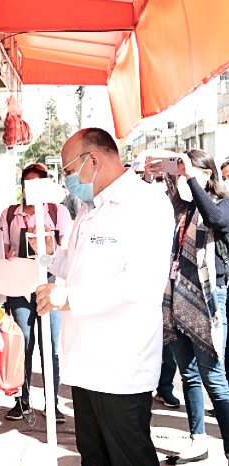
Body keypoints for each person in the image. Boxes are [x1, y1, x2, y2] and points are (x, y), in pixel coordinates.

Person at [33, 128, 175, 465]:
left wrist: (68, 298)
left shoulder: (146, 204)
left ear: (93, 160)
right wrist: (49, 256)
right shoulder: (88, 209)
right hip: (85, 364)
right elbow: (80, 267)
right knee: (93, 456)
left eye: (68, 171)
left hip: (120, 367)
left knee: (129, 457)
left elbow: (141, 283)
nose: (67, 180)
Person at [148, 149, 229, 464]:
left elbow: (215, 219)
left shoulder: (221, 205)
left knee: (214, 378)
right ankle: (198, 439)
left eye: (188, 172)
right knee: (190, 375)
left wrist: (191, 175)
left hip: (208, 299)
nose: (181, 179)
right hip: (176, 298)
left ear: (206, 175)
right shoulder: (181, 208)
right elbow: (162, 176)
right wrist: (171, 165)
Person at [0, 162, 72, 423]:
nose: (32, 190)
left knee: (49, 347)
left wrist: (47, 242)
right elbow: (3, 248)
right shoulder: (9, 215)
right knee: (23, 344)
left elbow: (64, 249)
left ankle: (52, 403)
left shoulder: (57, 211)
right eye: (27, 184)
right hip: (19, 287)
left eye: (37, 184)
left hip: (49, 285)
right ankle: (22, 400)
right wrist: (7, 255)